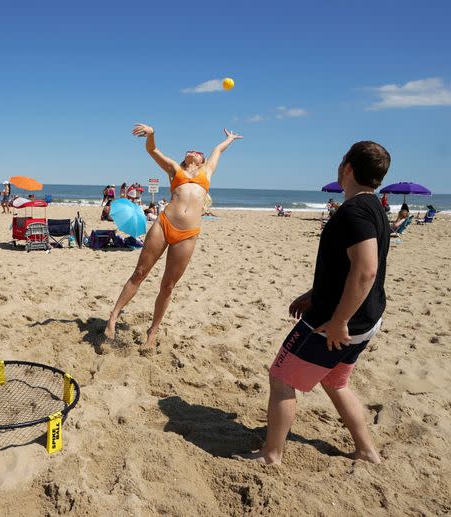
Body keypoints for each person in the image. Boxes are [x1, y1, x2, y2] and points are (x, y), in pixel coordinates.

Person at [242, 141, 391, 466]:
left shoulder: (354, 211)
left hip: (336, 322)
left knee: (281, 378)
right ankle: (367, 451)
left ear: (348, 168)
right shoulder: (375, 206)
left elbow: (366, 270)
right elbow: (346, 266)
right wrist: (314, 294)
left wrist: (339, 320)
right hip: (366, 320)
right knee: (335, 380)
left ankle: (271, 455)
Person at [105, 125, 242, 351]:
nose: (194, 152)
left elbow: (218, 150)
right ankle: (113, 316)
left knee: (167, 286)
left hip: (188, 234)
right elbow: (153, 150)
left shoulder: (207, 171)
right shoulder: (174, 169)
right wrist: (151, 133)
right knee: (140, 272)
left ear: (201, 160)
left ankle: (153, 332)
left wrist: (229, 139)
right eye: (192, 150)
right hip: (164, 224)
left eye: (198, 152)